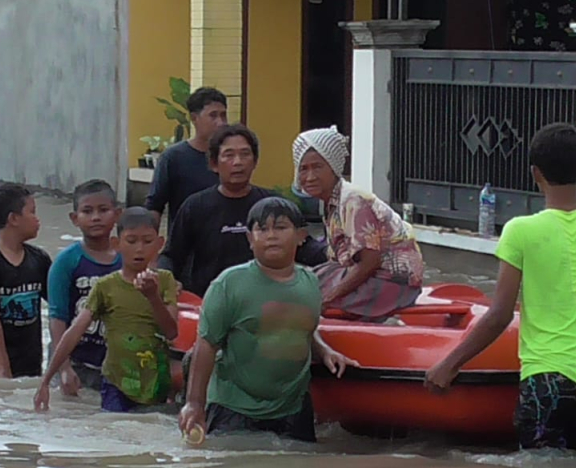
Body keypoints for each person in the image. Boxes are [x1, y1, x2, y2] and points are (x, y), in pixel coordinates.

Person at [423, 124, 576, 455]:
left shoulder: (520, 231)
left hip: (546, 382)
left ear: (535, 174)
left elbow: (499, 314)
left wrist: (450, 363)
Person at [178, 197, 357, 443]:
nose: (271, 235)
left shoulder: (311, 283)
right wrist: (194, 404)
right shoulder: (228, 284)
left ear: (301, 235)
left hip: (293, 408)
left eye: (281, 227)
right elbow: (206, 345)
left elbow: (304, 326)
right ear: (250, 240)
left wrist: (325, 351)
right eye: (262, 229)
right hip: (235, 407)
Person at [35, 208, 178, 413]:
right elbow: (75, 331)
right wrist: (47, 379)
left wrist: (153, 296)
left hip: (155, 380)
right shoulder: (105, 286)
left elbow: (171, 332)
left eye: (147, 242)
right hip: (116, 382)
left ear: (159, 244)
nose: (139, 249)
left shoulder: (165, 281)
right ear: (116, 244)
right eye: (131, 241)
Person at [162, 123, 326, 297]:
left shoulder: (276, 205)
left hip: (268, 304)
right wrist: (167, 278)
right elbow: (171, 256)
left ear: (255, 161)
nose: (238, 162)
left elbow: (308, 249)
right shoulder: (195, 206)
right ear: (214, 164)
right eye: (229, 155)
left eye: (245, 154)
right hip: (210, 303)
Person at [293, 126, 425, 319]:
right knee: (305, 283)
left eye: (318, 167)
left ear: (333, 167)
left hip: (391, 282)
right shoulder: (329, 204)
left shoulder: (353, 200)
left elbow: (370, 262)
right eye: (304, 169)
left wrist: (330, 296)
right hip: (365, 273)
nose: (310, 177)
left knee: (313, 298)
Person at [0, 183, 52, 378]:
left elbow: (58, 304)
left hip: (30, 358)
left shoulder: (39, 259)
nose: (37, 219)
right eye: (32, 212)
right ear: (13, 219)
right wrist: (3, 370)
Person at [48, 179, 122, 393]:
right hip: (76, 362)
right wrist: (63, 367)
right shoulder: (66, 262)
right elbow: (57, 317)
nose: (96, 217)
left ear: (117, 214)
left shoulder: (127, 259)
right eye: (87, 211)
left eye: (103, 210)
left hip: (113, 365)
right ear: (75, 218)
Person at [144, 87, 228, 229]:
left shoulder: (229, 157)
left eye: (223, 115)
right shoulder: (173, 157)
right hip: (184, 243)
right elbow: (155, 205)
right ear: (194, 118)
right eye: (213, 115)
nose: (220, 122)